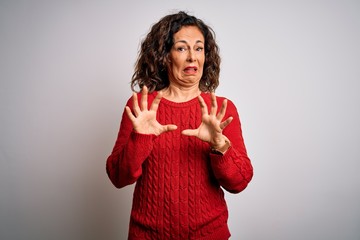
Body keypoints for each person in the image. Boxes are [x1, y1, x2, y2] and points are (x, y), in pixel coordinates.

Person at [106, 11, 253, 240]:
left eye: (199, 48)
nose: (193, 57)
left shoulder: (222, 109)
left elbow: (239, 183)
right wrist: (141, 138)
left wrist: (219, 145)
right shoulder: (142, 107)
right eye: (182, 48)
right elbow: (118, 177)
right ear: (164, 56)